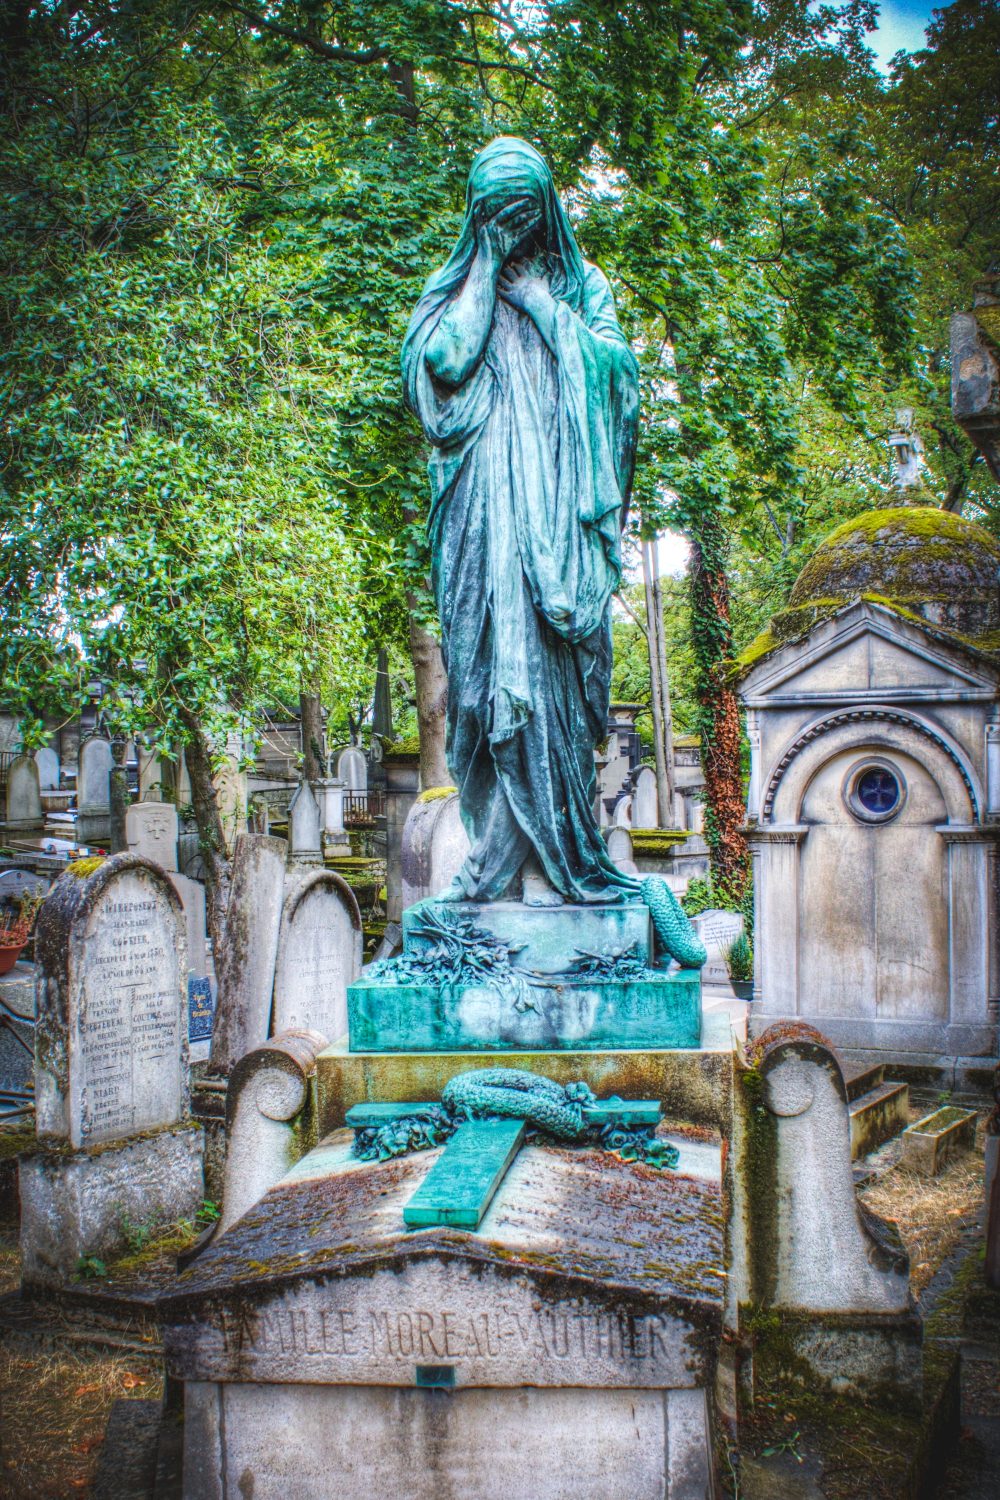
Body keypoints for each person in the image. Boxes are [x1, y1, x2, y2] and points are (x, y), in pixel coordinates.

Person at [402, 137, 640, 907]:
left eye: (521, 211)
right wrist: (486, 264)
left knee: (548, 696)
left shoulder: (581, 285)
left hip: (559, 541)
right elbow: (444, 363)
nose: (510, 225)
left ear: (548, 209)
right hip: (478, 526)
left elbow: (620, 382)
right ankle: (496, 871)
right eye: (493, 212)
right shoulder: (453, 288)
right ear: (477, 214)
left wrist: (544, 306)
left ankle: (522, 874)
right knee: (482, 692)